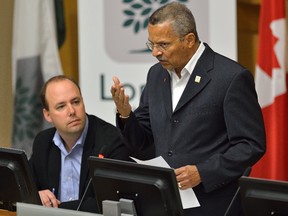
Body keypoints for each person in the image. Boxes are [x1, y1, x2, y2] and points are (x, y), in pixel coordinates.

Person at [110, 2, 266, 216]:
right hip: (165, 203)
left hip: (213, 205)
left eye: (163, 45)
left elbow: (250, 145)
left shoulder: (230, 78)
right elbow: (143, 142)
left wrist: (203, 172)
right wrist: (126, 115)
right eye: (151, 44)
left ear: (189, 40)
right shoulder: (156, 75)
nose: (155, 52)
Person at [29, 75, 132, 213]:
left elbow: (108, 203)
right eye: (61, 106)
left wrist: (53, 209)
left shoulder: (110, 141)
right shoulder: (43, 142)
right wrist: (36, 196)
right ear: (47, 115)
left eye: (76, 102)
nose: (71, 111)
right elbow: (23, 185)